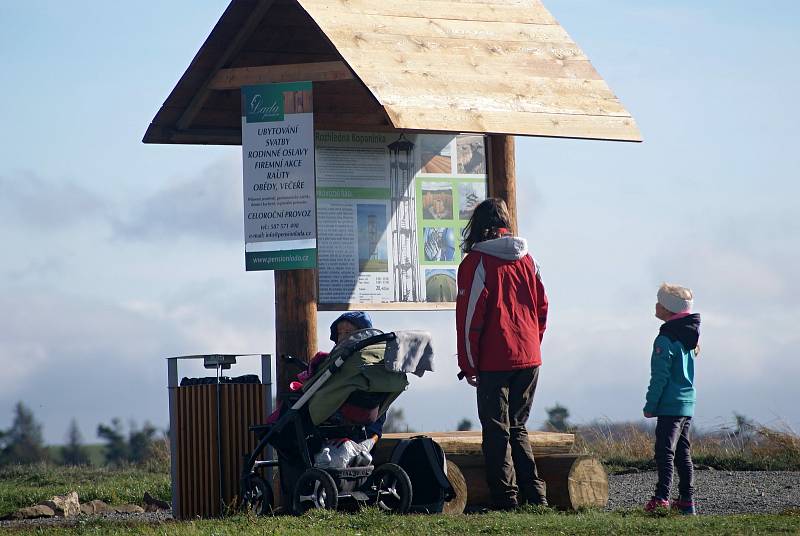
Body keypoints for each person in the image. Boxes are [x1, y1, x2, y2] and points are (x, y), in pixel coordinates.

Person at [455, 198, 549, 510]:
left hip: (495, 359)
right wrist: (533, 341)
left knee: (496, 430)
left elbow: (470, 319)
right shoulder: (527, 258)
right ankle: (536, 496)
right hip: (529, 355)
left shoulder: (475, 263)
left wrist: (468, 363)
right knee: (518, 427)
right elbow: (542, 306)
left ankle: (506, 499)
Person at [643, 283, 701, 515]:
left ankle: (661, 498)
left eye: (660, 302)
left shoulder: (665, 340)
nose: (656, 305)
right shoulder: (688, 337)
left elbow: (659, 377)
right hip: (687, 404)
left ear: (669, 309)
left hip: (669, 405)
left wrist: (650, 404)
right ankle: (687, 501)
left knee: (664, 451)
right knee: (682, 453)